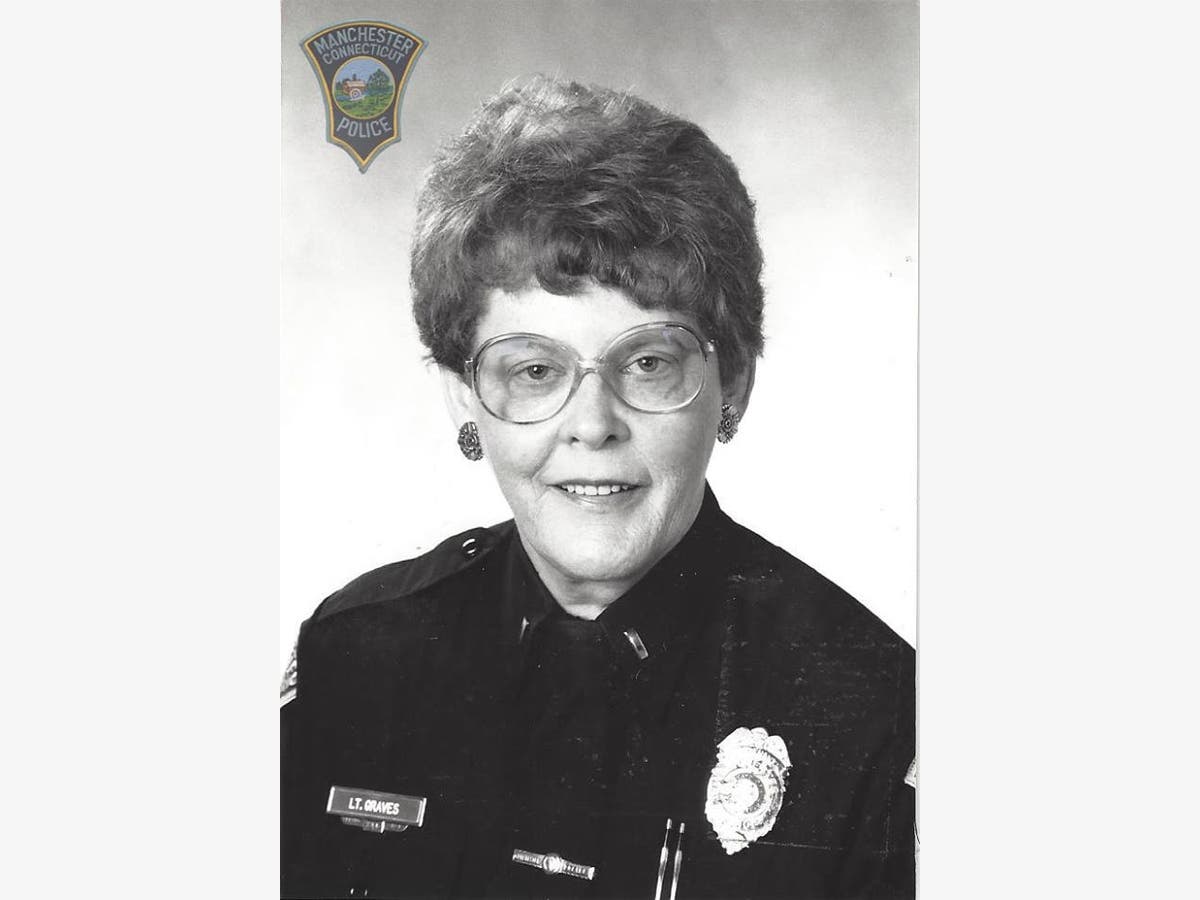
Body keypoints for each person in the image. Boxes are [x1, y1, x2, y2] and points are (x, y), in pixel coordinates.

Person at [281, 76, 915, 899]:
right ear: (464, 395)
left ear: (734, 383)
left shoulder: (871, 712)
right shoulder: (355, 655)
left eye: (647, 362)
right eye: (534, 370)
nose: (592, 425)